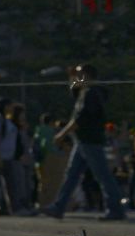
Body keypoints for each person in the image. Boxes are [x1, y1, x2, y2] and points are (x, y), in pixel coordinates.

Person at [42, 64, 127, 221]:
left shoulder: (91, 93)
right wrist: (72, 80)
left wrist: (61, 134)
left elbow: (79, 119)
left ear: (87, 75)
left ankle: (116, 209)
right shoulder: (89, 92)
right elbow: (75, 97)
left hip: (90, 141)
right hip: (83, 141)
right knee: (71, 175)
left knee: (103, 176)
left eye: (79, 75)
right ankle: (59, 206)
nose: (76, 78)